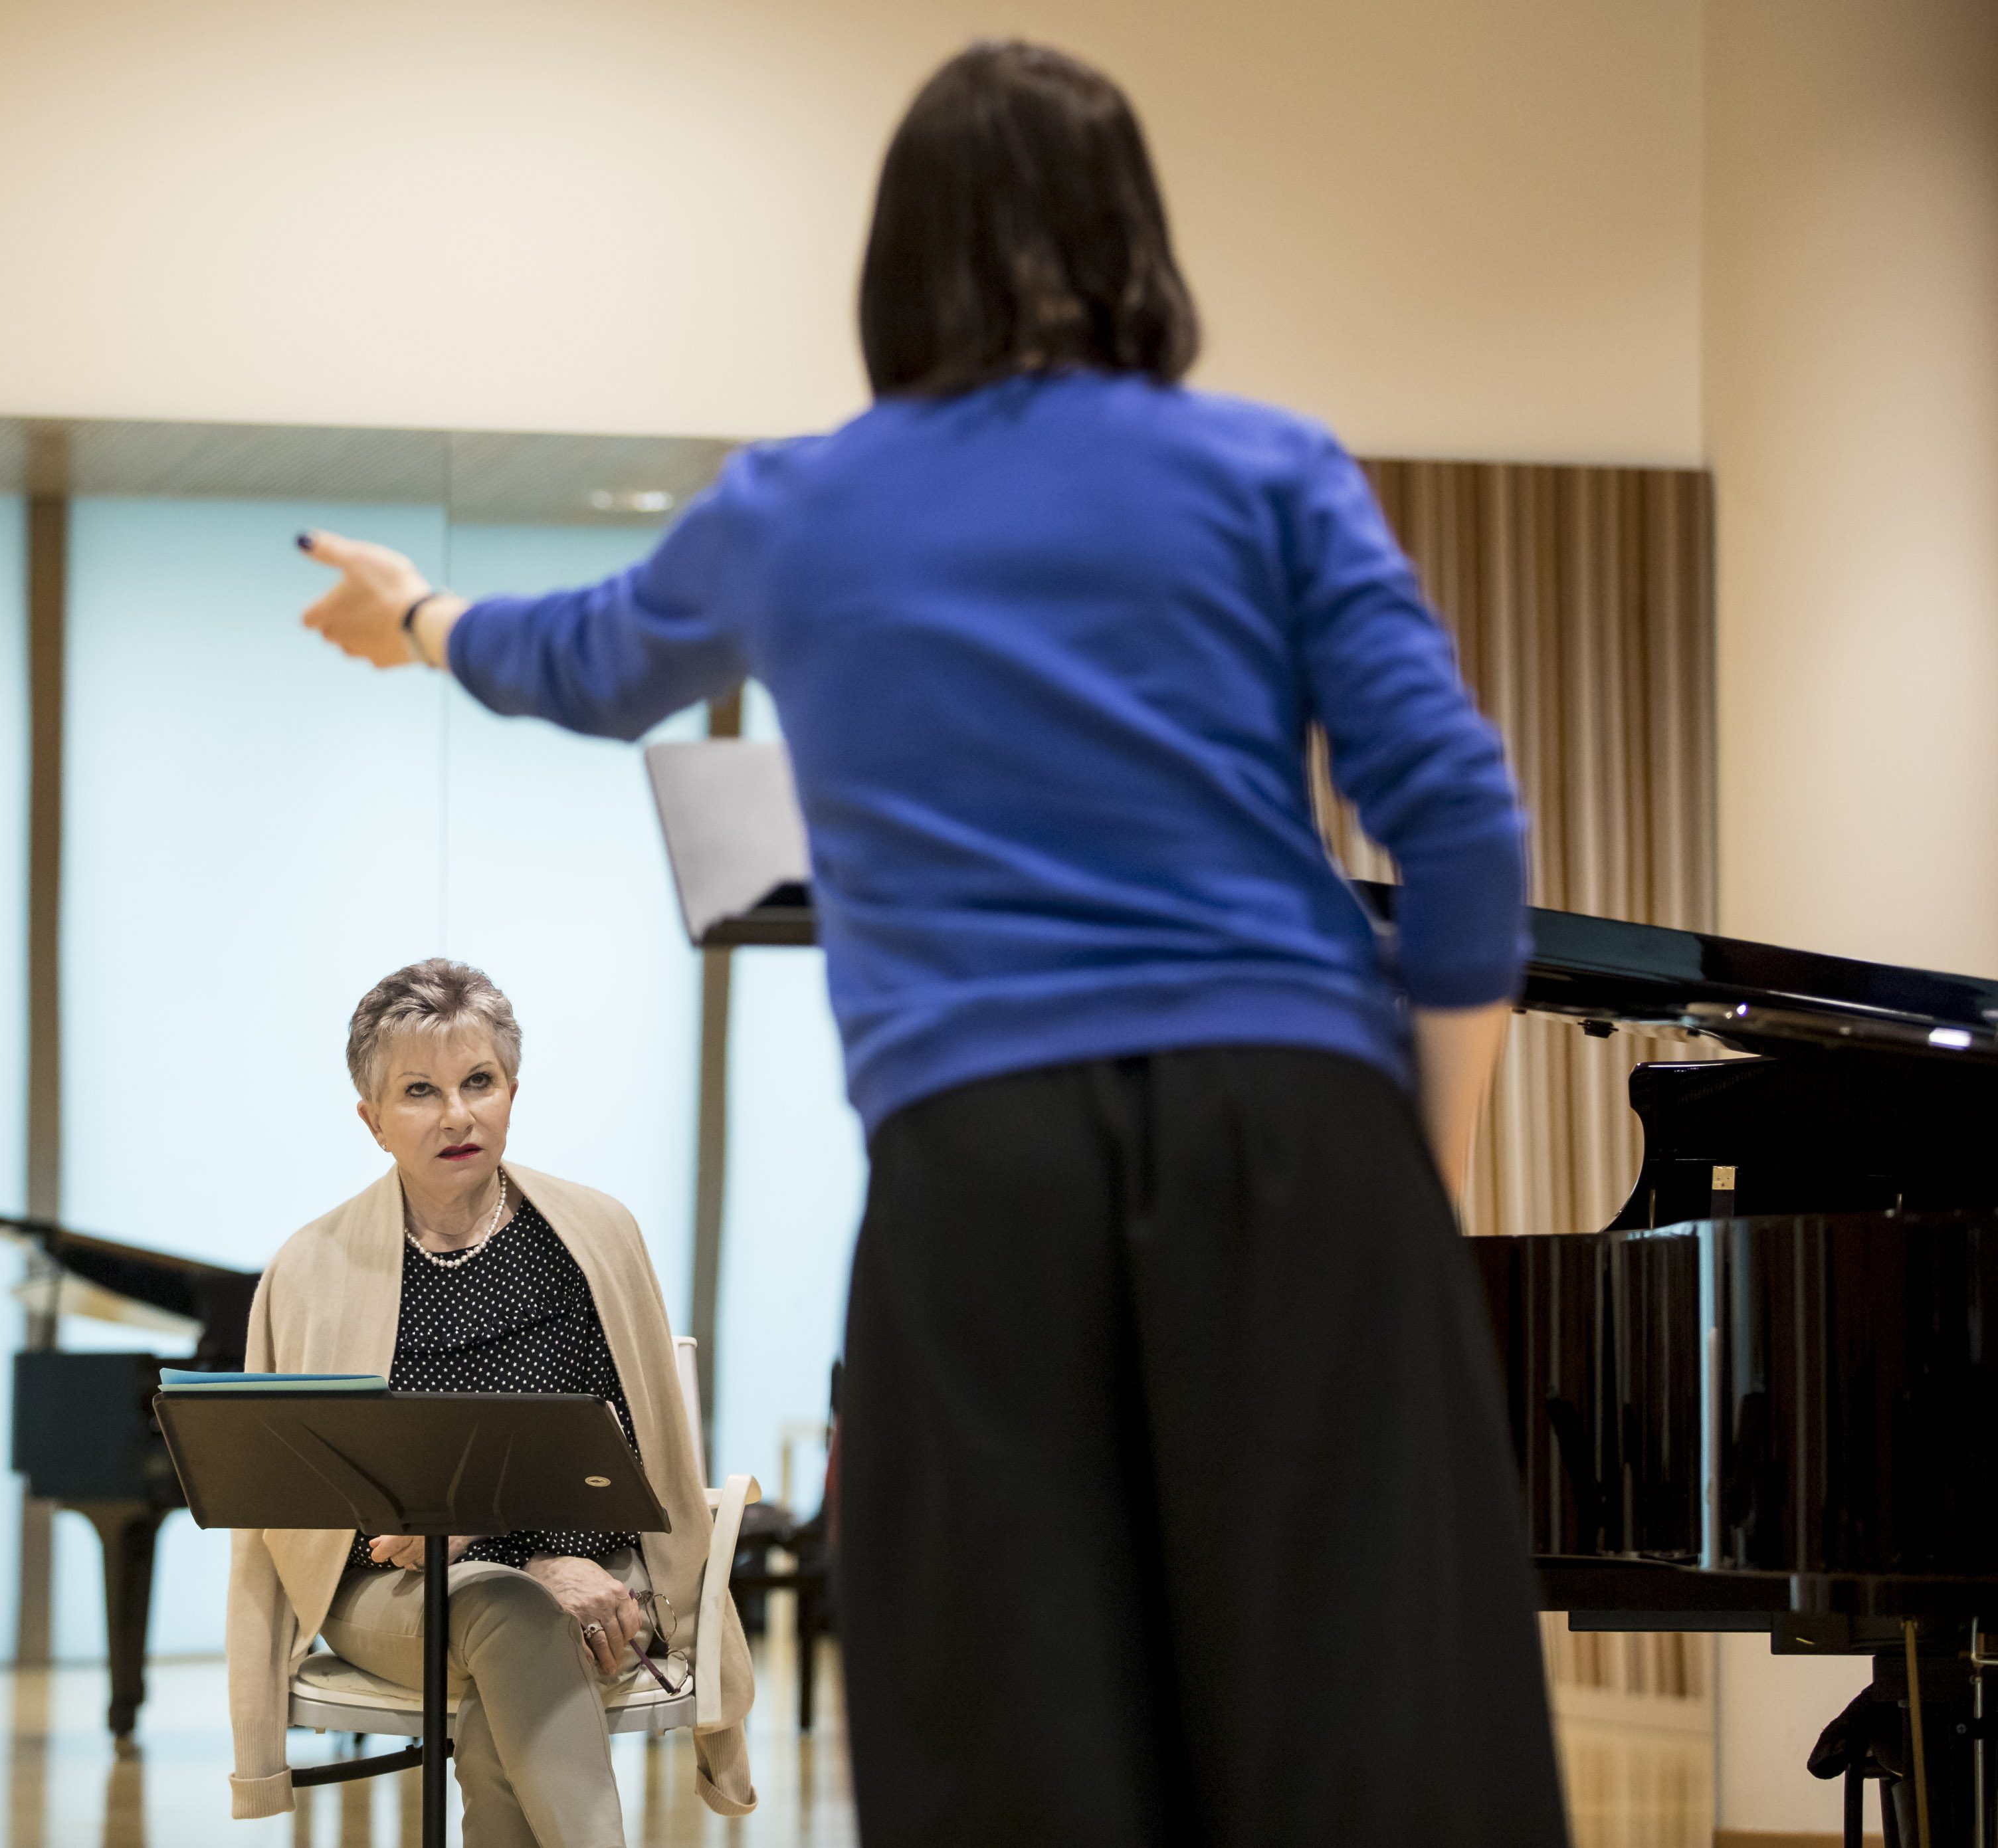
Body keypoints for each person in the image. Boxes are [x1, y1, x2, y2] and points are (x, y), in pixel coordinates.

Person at [292, 40, 1565, 1847]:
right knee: (1361, 1699)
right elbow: (1463, 826)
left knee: (1009, 1710)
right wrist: (1411, 1170)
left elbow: (574, 655)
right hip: (1297, 1137)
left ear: (895, 261)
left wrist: (416, 610)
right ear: (1141, 242)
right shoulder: (1269, 467)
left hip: (988, 1162)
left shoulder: (800, 504)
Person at [226, 959, 753, 1843]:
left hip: (595, 1570)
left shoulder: (595, 1235)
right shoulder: (309, 1267)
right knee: (516, 1611)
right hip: (389, 1591)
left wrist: (555, 1555)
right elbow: (303, 1510)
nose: (458, 1114)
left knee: (511, 1677)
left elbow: (631, 1450)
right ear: (374, 1120)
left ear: (513, 1090)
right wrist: (479, 1532)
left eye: (480, 1081)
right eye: (421, 1091)